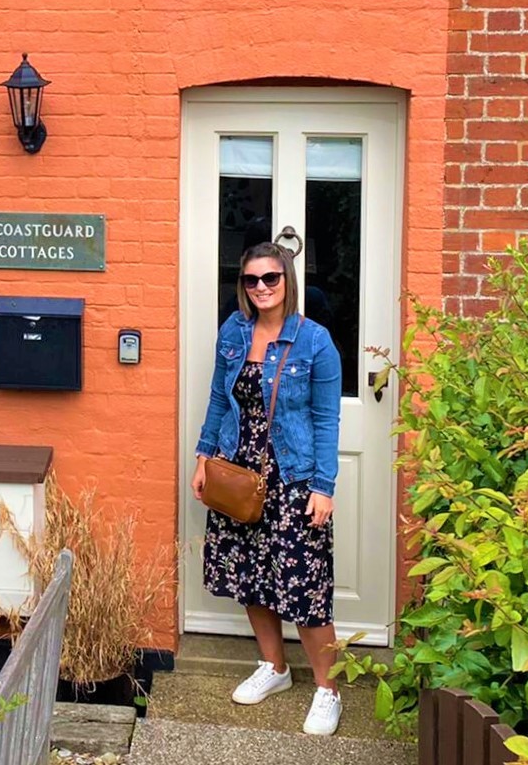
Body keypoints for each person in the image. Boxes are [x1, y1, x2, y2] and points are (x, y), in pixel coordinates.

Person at [192, 226, 343, 737]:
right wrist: (203, 455)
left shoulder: (315, 341)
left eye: (270, 277)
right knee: (251, 578)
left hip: (294, 478)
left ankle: (328, 690)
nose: (261, 286)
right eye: (251, 279)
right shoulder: (233, 332)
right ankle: (275, 668)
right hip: (239, 476)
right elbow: (218, 399)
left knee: (306, 588)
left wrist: (324, 487)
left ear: (287, 279)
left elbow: (327, 421)